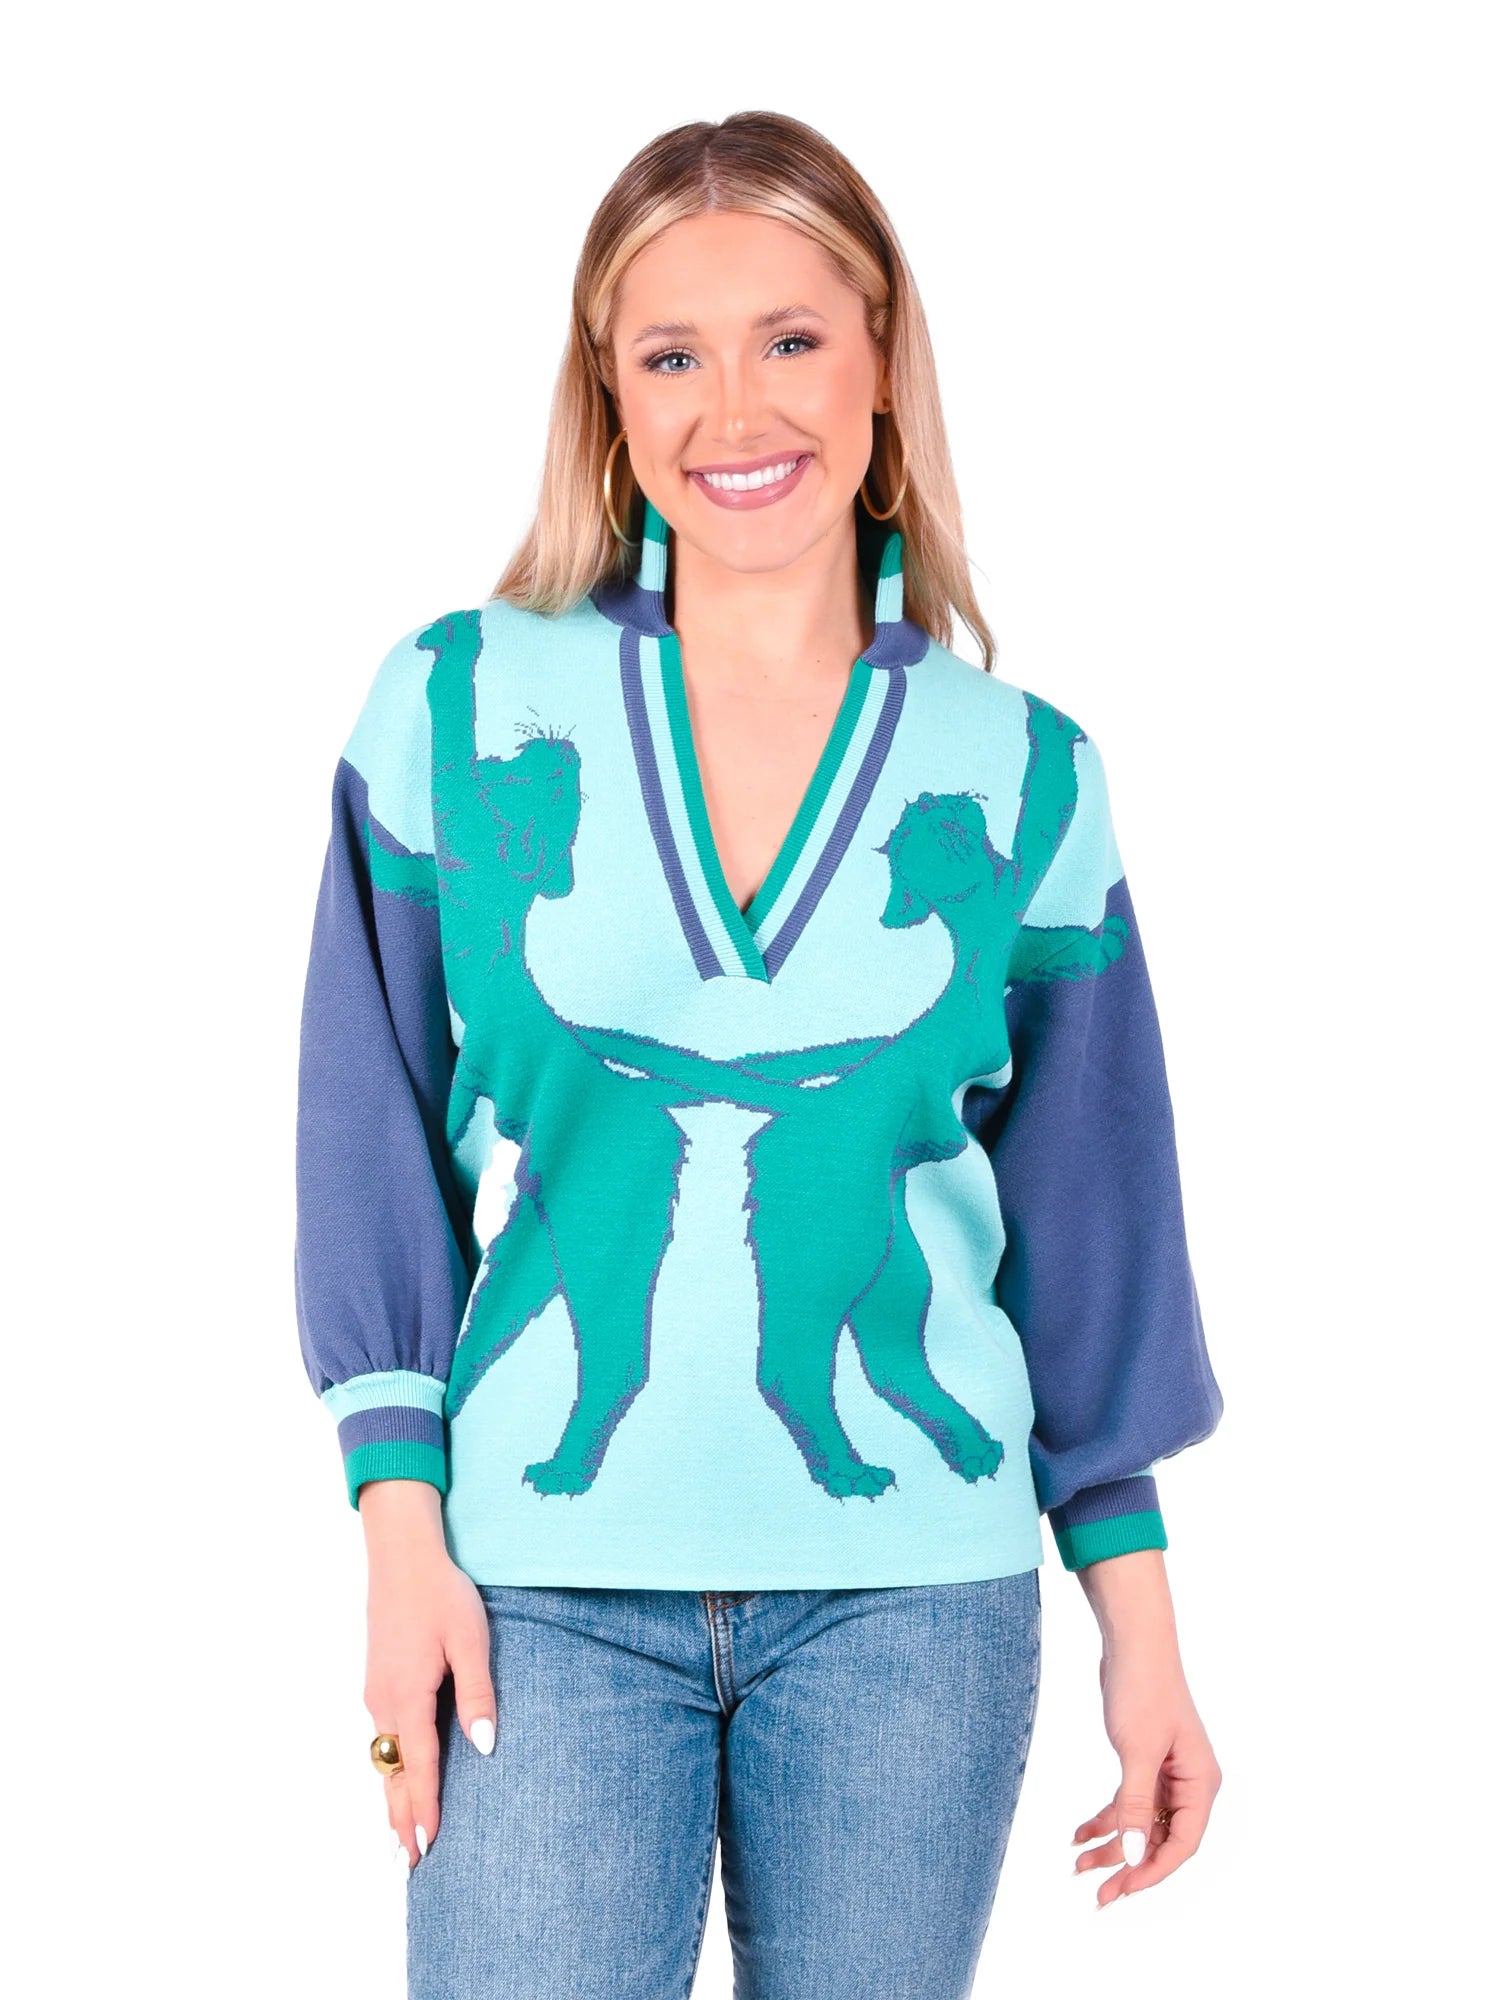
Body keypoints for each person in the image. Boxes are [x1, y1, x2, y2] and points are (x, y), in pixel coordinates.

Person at [293, 108, 1226, 1999]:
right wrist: (399, 1531)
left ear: (882, 360)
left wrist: (1142, 1625)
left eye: (792, 337)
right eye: (672, 355)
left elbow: (1091, 1220)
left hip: (917, 1600)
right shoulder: (460, 703)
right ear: (608, 395)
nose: (737, 409)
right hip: (535, 1583)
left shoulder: (1025, 773)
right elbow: (361, 1119)